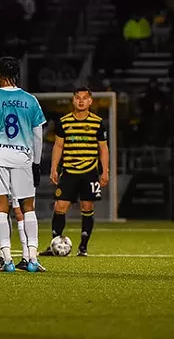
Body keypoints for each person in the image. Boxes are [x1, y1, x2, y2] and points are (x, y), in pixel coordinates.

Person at [0, 57, 46, 273]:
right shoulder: (31, 100)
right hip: (22, 157)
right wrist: (36, 163)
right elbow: (38, 136)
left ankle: (7, 259)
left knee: (0, 207)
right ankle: (32, 257)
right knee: (28, 208)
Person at [39, 86, 109, 257]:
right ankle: (55, 243)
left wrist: (105, 170)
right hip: (69, 171)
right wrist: (54, 168)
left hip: (90, 171)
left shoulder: (97, 122)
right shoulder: (64, 121)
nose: (81, 100)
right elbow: (58, 145)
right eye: (78, 97)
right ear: (73, 100)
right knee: (60, 206)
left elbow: (103, 148)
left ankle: (83, 247)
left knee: (87, 206)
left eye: (85, 98)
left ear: (90, 101)